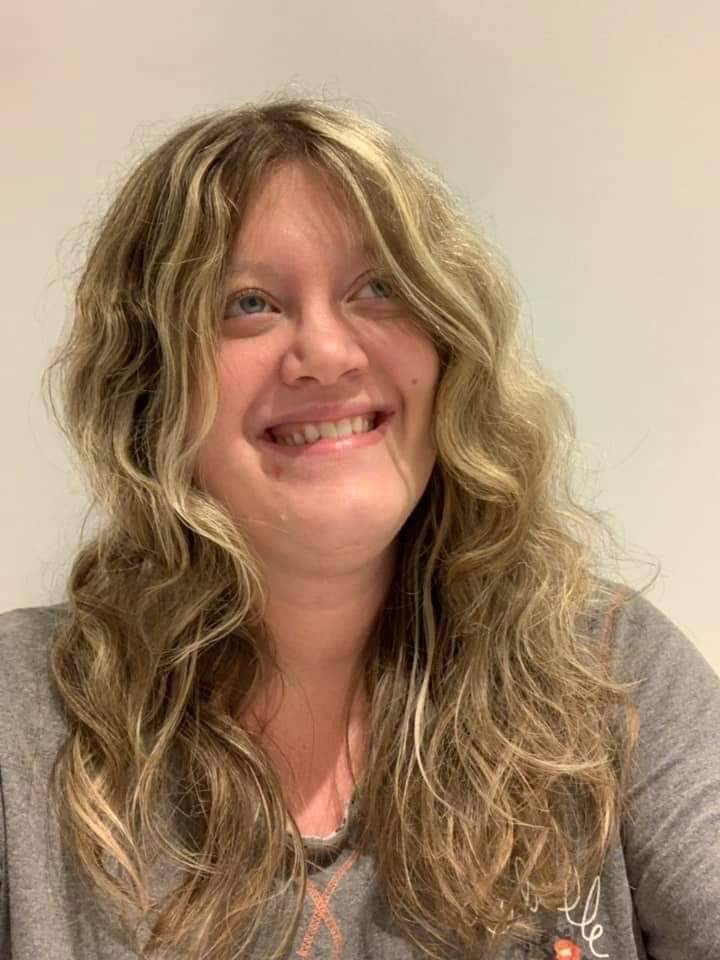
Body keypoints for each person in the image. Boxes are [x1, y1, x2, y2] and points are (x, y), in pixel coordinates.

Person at [0, 95, 718, 960]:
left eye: (378, 288)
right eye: (247, 303)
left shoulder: (609, 668)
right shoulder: (20, 716)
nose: (329, 354)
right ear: (150, 384)